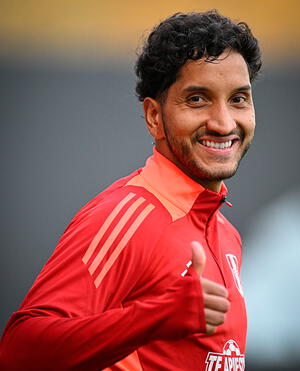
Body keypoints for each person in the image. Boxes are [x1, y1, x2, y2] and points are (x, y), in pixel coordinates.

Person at [0, 10, 261, 370]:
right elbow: (19, 351)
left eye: (238, 99)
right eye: (197, 99)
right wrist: (154, 316)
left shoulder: (226, 233)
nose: (223, 122)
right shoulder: (128, 215)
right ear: (155, 116)